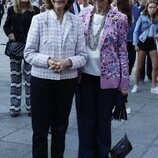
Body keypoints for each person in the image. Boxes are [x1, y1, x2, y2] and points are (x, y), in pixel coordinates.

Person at [24, 0, 87, 157]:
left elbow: (83, 55)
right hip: (41, 81)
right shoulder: (39, 19)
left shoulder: (76, 21)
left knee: (60, 129)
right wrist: (48, 61)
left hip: (67, 83)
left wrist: (68, 62)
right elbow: (29, 53)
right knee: (40, 130)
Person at [77, 0, 129, 157]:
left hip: (107, 80)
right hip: (84, 78)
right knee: (85, 122)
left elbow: (122, 51)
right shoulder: (82, 15)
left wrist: (124, 84)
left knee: (103, 122)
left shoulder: (119, 18)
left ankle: (102, 154)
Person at [3, 0, 40, 117]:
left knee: (30, 79)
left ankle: (31, 107)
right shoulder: (11, 9)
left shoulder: (35, 10)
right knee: (15, 78)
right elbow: (6, 26)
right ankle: (14, 107)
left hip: (31, 48)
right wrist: (10, 34)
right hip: (15, 47)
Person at [132, 0, 158, 94]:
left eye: (154, 7)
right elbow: (136, 31)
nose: (152, 9)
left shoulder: (157, 18)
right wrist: (135, 44)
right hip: (143, 42)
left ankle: (154, 87)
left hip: (152, 42)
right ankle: (136, 85)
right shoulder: (142, 17)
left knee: (155, 65)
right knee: (139, 66)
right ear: (147, 8)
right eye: (150, 7)